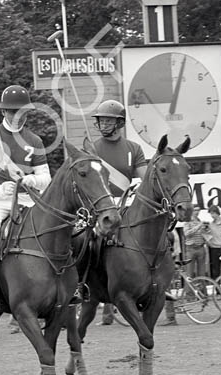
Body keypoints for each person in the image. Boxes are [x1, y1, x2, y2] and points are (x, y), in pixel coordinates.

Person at [0, 85, 52, 310]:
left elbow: (46, 178)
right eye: (13, 112)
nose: (18, 116)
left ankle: (69, 285)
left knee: (58, 228)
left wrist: (31, 181)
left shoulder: (35, 140)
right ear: (3, 112)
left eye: (22, 112)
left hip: (28, 200)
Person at [90, 99, 148, 325]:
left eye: (107, 120)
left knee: (159, 235)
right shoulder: (93, 148)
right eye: (101, 120)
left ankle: (158, 283)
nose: (103, 124)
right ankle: (84, 285)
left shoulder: (134, 149)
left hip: (126, 204)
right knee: (87, 240)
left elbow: (145, 179)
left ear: (119, 123)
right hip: (102, 206)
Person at [183, 207, 208, 279]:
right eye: (195, 210)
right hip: (191, 248)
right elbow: (186, 234)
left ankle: (202, 290)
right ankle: (189, 290)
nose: (197, 212)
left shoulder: (199, 221)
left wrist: (206, 229)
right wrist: (198, 226)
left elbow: (204, 235)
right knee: (189, 273)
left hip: (201, 247)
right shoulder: (188, 221)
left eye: (198, 210)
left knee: (202, 273)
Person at [205, 205, 221, 280]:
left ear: (217, 213)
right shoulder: (211, 225)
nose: (212, 215)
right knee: (216, 269)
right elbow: (205, 234)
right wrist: (209, 241)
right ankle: (217, 288)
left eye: (213, 213)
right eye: (211, 214)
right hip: (214, 249)